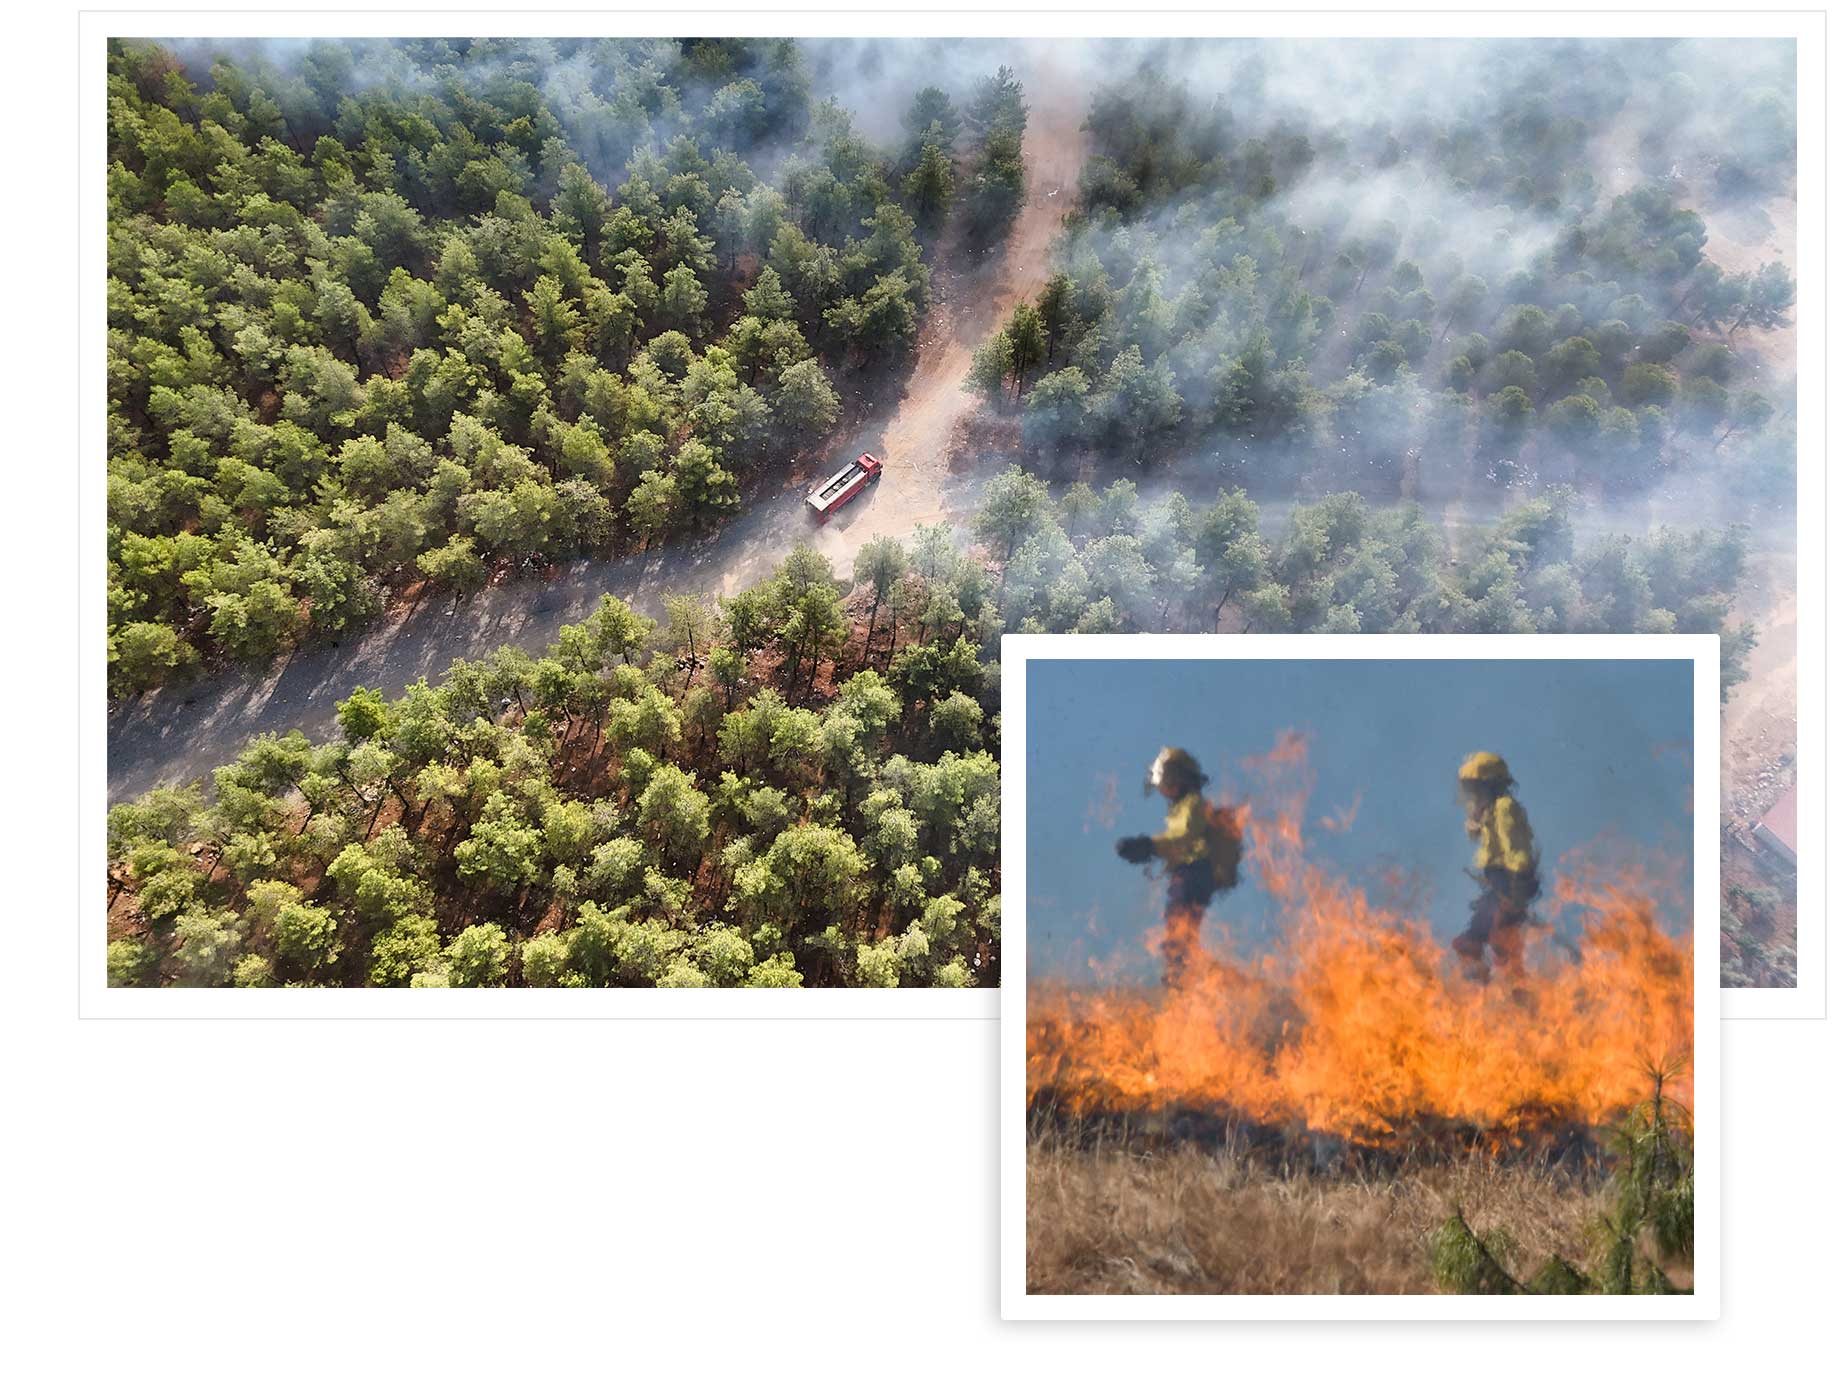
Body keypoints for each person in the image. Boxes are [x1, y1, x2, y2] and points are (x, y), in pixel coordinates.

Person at [1115, 747, 1243, 988]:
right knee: (1179, 932)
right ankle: (1184, 975)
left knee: (1179, 932)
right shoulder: (1181, 807)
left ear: (1179, 778)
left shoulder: (1194, 805)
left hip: (1194, 874)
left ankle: (1185, 976)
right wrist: (1151, 849)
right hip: (1187, 874)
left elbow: (1183, 838)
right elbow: (1178, 840)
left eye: (1166, 780)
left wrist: (1150, 846)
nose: (1163, 788)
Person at [1452, 750, 1540, 981]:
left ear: (1490, 786)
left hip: (1510, 884)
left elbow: (1517, 851)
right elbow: (1480, 834)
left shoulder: (1504, 808)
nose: (1472, 794)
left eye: (1476, 788)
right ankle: (1487, 983)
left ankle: (1507, 988)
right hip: (1499, 886)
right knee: (1480, 939)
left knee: (1495, 943)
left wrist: (1515, 892)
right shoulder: (1490, 812)